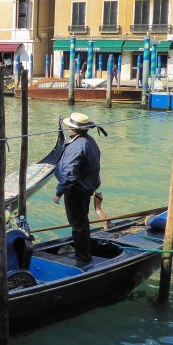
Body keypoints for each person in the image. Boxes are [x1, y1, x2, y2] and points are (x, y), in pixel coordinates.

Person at [53, 112, 102, 264]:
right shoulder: (89, 140)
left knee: (78, 224)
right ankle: (84, 253)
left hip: (76, 191)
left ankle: (83, 258)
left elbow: (69, 173)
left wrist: (59, 192)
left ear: (73, 130)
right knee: (82, 221)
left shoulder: (76, 146)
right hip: (85, 188)